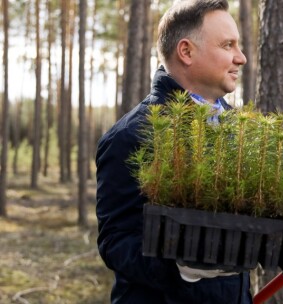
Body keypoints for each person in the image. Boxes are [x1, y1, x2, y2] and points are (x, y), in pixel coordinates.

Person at [95, 1, 250, 303]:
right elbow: (115, 242)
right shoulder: (131, 136)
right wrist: (182, 268)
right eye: (228, 45)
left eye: (238, 46)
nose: (241, 58)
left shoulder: (241, 132)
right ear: (187, 51)